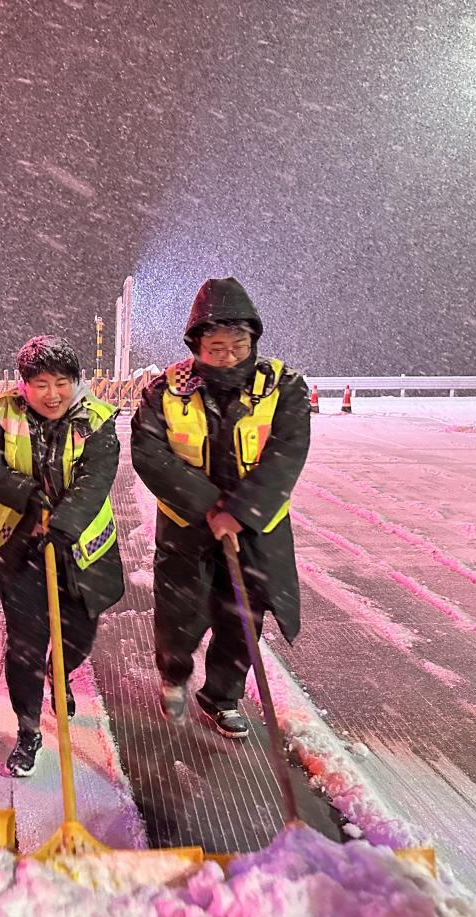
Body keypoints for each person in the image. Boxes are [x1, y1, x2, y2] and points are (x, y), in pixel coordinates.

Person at [132, 277, 310, 737]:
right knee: (180, 616)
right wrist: (211, 507)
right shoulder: (163, 392)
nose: (228, 355)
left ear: (253, 339)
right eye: (215, 346)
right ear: (196, 345)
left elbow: (286, 454)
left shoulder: (283, 387)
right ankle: (174, 676)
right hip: (187, 528)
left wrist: (240, 512)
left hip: (256, 531)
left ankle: (222, 696)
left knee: (241, 624)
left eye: (238, 344)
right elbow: (151, 455)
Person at [0, 336, 124, 776]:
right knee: (25, 646)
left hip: (79, 552)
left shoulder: (96, 419)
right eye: (40, 383)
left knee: (77, 635)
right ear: (24, 386)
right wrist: (26, 495)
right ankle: (27, 729)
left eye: (61, 382)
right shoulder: (5, 413)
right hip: (20, 551)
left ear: (76, 382)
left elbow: (97, 479)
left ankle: (62, 672)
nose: (52, 394)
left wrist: (62, 524)